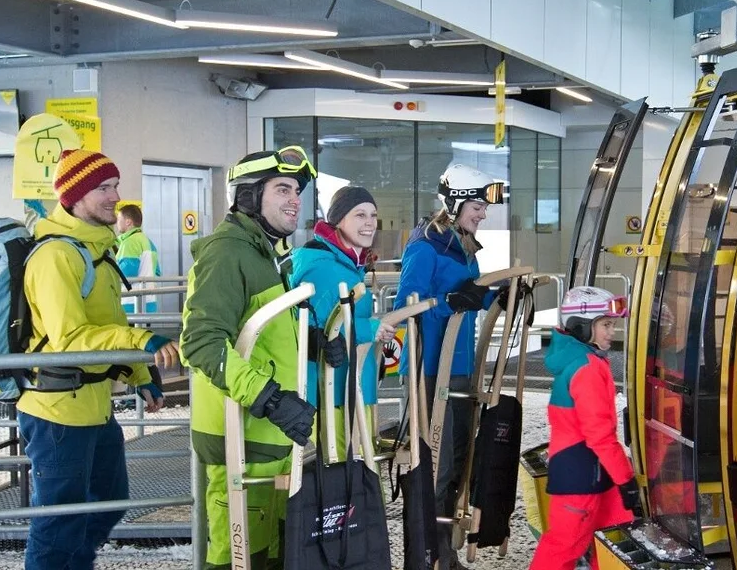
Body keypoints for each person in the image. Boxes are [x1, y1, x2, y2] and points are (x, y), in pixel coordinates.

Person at [18, 149, 176, 570]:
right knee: (57, 526)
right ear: (74, 195)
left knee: (108, 503)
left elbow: (109, 321)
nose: (115, 196)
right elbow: (71, 339)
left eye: (115, 185)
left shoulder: (97, 251)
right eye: (103, 188)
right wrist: (140, 341)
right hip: (56, 411)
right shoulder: (56, 256)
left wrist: (141, 373)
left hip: (94, 406)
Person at [182, 146, 323, 570]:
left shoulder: (264, 253)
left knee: (271, 555)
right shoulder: (227, 253)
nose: (295, 199)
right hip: (238, 435)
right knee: (237, 558)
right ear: (247, 196)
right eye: (282, 189)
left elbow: (260, 332)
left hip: (266, 433)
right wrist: (273, 399)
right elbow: (202, 343)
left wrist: (313, 342)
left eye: (297, 190)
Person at [396, 163, 509, 567]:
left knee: (459, 460)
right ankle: (428, 554)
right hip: (431, 370)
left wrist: (497, 294)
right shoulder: (425, 246)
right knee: (436, 464)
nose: (482, 214)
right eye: (477, 206)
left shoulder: (463, 247)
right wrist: (445, 304)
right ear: (456, 203)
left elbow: (469, 295)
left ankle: (442, 550)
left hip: (460, 368)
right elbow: (404, 306)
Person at [529, 286, 640, 570]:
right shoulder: (587, 367)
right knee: (566, 545)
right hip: (581, 472)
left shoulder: (583, 359)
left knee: (615, 537)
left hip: (593, 468)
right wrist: (626, 479)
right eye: (604, 325)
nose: (611, 332)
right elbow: (599, 435)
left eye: (612, 324)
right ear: (581, 325)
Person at [288, 186, 396, 449]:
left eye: (373, 215)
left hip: (351, 388)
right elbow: (318, 329)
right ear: (338, 220)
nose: (370, 222)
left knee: (359, 470)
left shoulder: (346, 264)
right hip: (334, 393)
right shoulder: (324, 267)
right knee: (345, 470)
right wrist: (371, 329)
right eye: (360, 215)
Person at [115, 202, 162, 313]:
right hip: (149, 302)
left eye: (118, 219)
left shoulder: (129, 242)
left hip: (130, 302)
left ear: (128, 222)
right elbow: (158, 272)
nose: (116, 222)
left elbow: (127, 272)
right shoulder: (148, 242)